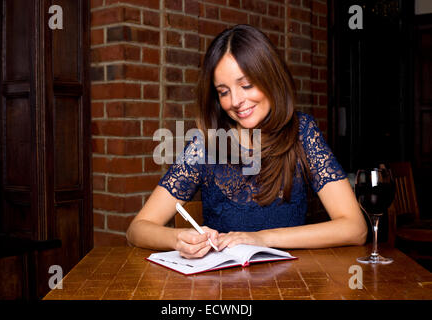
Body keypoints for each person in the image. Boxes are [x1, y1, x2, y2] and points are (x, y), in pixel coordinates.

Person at [126, 24, 367, 258]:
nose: (236, 101)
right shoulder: (205, 145)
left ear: (271, 77)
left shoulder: (302, 132)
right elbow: (137, 229)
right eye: (223, 91)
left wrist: (262, 239)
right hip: (223, 288)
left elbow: (356, 228)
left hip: (291, 286)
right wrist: (177, 239)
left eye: (246, 85)